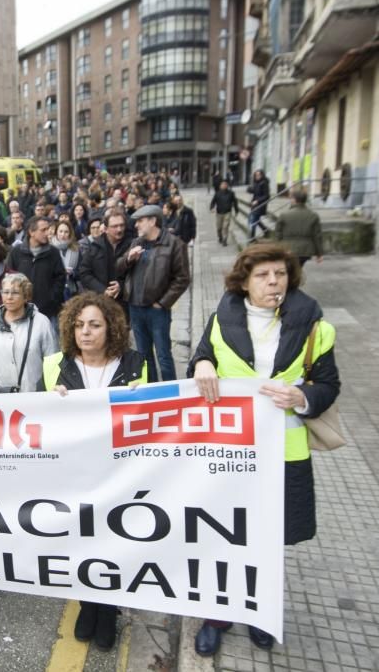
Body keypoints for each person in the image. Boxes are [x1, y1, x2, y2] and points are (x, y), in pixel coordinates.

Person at [188, 243, 340, 656]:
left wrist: (301, 396)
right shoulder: (223, 316)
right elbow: (204, 356)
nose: (274, 282)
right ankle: (218, 615)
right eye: (263, 275)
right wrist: (202, 364)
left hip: (283, 457)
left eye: (281, 274)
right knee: (222, 537)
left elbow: (328, 386)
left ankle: (259, 613)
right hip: (228, 454)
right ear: (244, 281)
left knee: (267, 542)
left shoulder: (314, 326)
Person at [40, 292, 147, 652]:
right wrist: (49, 401)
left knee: (114, 542)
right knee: (82, 543)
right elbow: (41, 419)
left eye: (95, 325)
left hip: (119, 474)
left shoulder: (135, 364)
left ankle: (110, 610)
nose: (86, 332)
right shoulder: (54, 364)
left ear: (111, 327)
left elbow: (155, 414)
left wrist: (143, 396)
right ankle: (88, 604)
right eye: (79, 325)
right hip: (75, 473)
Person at [118, 205, 190, 382]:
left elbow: (182, 279)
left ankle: (171, 394)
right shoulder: (137, 242)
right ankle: (152, 393)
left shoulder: (174, 244)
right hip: (135, 307)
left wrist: (163, 303)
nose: (137, 225)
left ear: (152, 221)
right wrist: (128, 259)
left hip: (157, 310)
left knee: (163, 355)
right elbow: (118, 268)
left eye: (140, 221)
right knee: (143, 355)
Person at [0, 273, 57, 394]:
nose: (9, 297)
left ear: (26, 296)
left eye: (15, 293)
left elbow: (52, 361)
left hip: (33, 396)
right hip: (0, 399)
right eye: (5, 292)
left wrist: (52, 393)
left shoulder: (42, 322)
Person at [5, 216, 67, 327]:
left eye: (48, 229)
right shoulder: (16, 252)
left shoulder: (53, 253)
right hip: (21, 311)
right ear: (31, 232)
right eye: (43, 230)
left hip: (47, 312)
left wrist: (51, 298)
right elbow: (9, 277)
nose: (47, 233)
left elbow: (60, 278)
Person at [78, 208, 131, 302]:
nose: (119, 229)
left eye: (122, 225)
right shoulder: (95, 247)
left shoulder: (132, 245)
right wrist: (103, 290)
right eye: (114, 226)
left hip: (125, 301)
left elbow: (137, 275)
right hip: (101, 300)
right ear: (106, 229)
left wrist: (121, 286)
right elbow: (84, 273)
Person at [274, 187, 323, 266]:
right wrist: (319, 253)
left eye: (291, 198)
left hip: (287, 249)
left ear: (294, 200)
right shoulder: (313, 216)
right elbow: (317, 235)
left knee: (290, 270)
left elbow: (278, 234)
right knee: (298, 268)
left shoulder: (284, 215)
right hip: (306, 251)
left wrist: (276, 250)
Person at [51, 218, 81, 300]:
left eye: (66, 232)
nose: (63, 234)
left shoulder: (76, 249)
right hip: (54, 289)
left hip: (71, 290)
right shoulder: (50, 248)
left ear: (70, 233)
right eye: (60, 231)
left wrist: (72, 273)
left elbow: (81, 270)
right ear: (56, 232)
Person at [210, 180, 239, 246]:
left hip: (227, 212)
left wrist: (236, 210)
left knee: (225, 226)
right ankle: (220, 237)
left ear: (227, 186)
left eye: (225, 184)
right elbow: (213, 201)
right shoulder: (217, 193)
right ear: (220, 186)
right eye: (222, 184)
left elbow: (235, 202)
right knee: (219, 228)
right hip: (219, 213)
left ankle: (225, 240)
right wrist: (212, 208)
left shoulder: (231, 193)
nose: (224, 186)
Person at [247, 169, 271, 239]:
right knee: (256, 220)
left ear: (262, 175)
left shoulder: (264, 183)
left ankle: (252, 237)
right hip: (254, 204)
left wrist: (257, 200)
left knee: (253, 219)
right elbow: (255, 191)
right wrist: (249, 189)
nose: (257, 176)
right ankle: (265, 230)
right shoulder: (256, 182)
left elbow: (267, 196)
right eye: (256, 175)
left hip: (260, 205)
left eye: (259, 175)